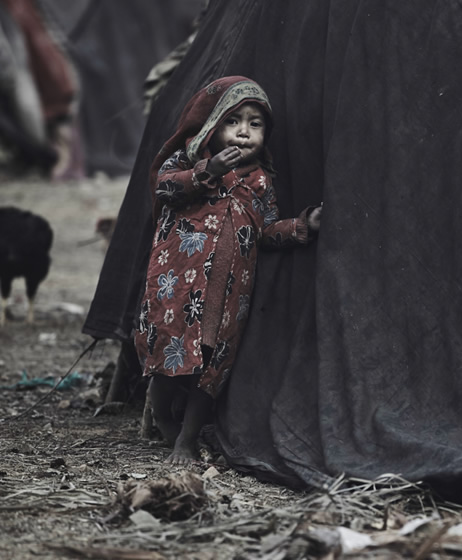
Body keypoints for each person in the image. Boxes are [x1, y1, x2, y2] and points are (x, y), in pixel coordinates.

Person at [134, 76, 322, 465]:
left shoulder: (261, 181)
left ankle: (187, 438)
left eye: (255, 124)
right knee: (168, 350)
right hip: (177, 285)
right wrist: (209, 169)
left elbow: (266, 231)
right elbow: (163, 189)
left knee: (213, 363)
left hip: (228, 290)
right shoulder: (187, 159)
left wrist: (302, 226)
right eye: (233, 121)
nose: (243, 132)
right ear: (213, 123)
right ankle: (168, 429)